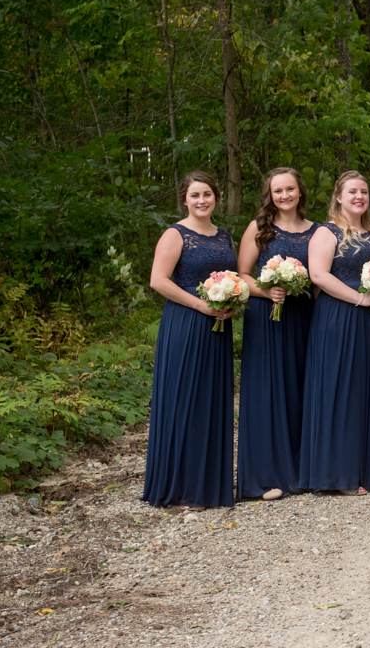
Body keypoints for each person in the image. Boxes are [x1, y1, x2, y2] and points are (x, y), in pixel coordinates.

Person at [144, 171, 236, 509]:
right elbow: (158, 280)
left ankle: (207, 486)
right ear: (185, 199)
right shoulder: (175, 234)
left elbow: (233, 276)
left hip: (219, 328)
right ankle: (180, 486)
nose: (202, 201)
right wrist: (202, 306)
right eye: (195, 195)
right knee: (185, 399)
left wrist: (231, 300)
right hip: (185, 324)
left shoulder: (224, 236)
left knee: (211, 401)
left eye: (207, 194)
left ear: (216, 197)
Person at [299, 171, 370, 495]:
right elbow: (319, 276)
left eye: (364, 192)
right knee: (341, 391)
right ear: (339, 196)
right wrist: (361, 298)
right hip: (338, 318)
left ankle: (367, 471)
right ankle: (337, 474)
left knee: (368, 393)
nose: (359, 197)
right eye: (352, 191)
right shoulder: (327, 232)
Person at [237, 168, 317, 501]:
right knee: (269, 393)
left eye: (290, 189)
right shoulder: (260, 229)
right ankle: (265, 476)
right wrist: (266, 291)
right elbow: (241, 274)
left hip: (303, 316)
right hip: (266, 316)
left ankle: (302, 470)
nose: (284, 196)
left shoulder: (316, 232)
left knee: (300, 389)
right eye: (277, 191)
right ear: (269, 195)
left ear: (300, 192)